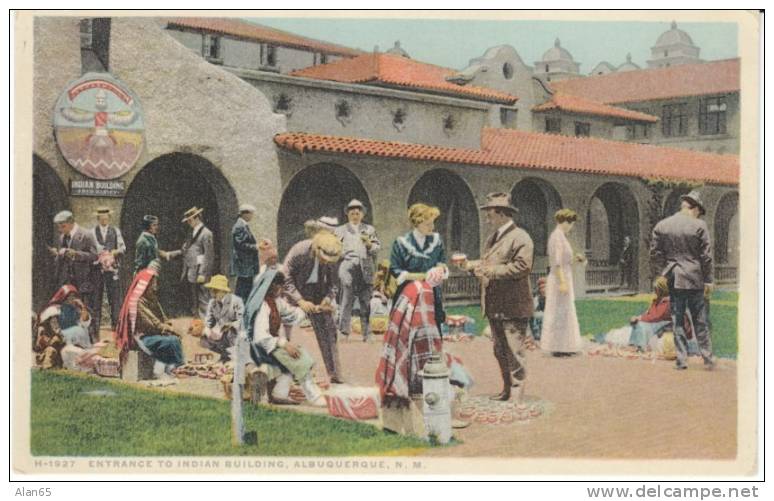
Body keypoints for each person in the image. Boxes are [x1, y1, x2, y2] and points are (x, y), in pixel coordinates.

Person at [457, 192, 534, 401]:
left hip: (513, 303)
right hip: (495, 304)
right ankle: (507, 388)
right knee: (499, 349)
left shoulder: (521, 237)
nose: (487, 218)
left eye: (489, 213)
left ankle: (517, 390)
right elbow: (487, 264)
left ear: (502, 214)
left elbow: (522, 266)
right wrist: (470, 266)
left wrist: (492, 271)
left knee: (513, 348)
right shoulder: (494, 238)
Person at [375, 268, 473, 428]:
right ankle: (448, 416)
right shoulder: (424, 295)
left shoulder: (409, 292)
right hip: (419, 377)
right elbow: (430, 346)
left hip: (399, 370)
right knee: (458, 371)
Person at [650, 190, 716, 370]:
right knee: (700, 320)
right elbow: (706, 257)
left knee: (677, 319)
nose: (698, 215)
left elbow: (655, 254)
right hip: (695, 278)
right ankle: (708, 359)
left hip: (673, 278)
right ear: (694, 208)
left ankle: (681, 360)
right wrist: (709, 280)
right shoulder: (700, 226)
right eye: (698, 211)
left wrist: (662, 272)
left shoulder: (662, 225)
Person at [243, 269, 326, 406]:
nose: (280, 289)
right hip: (259, 347)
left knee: (288, 364)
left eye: (281, 285)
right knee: (298, 357)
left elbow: (292, 315)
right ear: (269, 286)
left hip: (271, 344)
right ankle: (314, 396)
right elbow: (260, 336)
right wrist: (284, 344)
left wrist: (316, 308)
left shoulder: (277, 302)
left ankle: (279, 393)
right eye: (277, 285)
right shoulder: (262, 306)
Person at [283, 231, 343, 384]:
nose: (327, 263)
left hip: (318, 293)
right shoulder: (299, 251)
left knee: (328, 328)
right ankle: (291, 373)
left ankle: (334, 373)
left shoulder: (333, 256)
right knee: (289, 332)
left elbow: (335, 284)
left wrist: (328, 298)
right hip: (295, 292)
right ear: (317, 249)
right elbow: (286, 278)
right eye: (324, 259)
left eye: (330, 261)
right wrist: (301, 301)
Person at [115, 261, 185, 374]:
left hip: (153, 334)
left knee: (173, 338)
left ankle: (172, 367)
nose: (155, 285)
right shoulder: (138, 303)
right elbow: (153, 324)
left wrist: (169, 327)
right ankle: (179, 367)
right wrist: (170, 330)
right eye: (152, 282)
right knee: (173, 341)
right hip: (141, 339)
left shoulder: (152, 299)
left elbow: (163, 319)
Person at [389, 203, 448, 327]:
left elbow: (442, 261)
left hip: (431, 292)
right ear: (417, 223)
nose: (432, 227)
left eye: (433, 223)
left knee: (432, 326)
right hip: (409, 293)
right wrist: (423, 276)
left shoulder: (436, 241)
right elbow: (395, 269)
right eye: (428, 224)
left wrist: (440, 268)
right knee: (408, 328)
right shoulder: (401, 243)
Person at [48, 210, 100, 343]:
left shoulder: (86, 235)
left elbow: (95, 256)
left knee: (86, 311)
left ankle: (92, 342)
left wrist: (75, 254)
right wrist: (58, 255)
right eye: (58, 226)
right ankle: (74, 341)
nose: (60, 229)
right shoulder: (62, 238)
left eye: (63, 226)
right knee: (70, 311)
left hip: (84, 281)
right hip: (68, 284)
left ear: (71, 223)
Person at [335, 199, 381, 342]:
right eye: (352, 213)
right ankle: (344, 332)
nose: (355, 216)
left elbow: (376, 248)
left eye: (358, 213)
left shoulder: (369, 229)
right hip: (347, 265)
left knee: (365, 301)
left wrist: (369, 244)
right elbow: (334, 249)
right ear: (348, 214)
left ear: (362, 214)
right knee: (347, 297)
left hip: (365, 266)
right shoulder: (340, 230)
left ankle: (367, 334)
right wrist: (343, 254)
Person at [541, 209, 585, 357]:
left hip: (565, 275)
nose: (571, 227)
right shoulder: (557, 237)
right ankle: (558, 346)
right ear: (565, 222)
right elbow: (558, 263)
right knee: (559, 312)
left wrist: (575, 259)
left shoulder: (562, 237)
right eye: (571, 224)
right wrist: (562, 282)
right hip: (560, 278)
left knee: (565, 311)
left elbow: (565, 260)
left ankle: (566, 346)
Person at [175, 207, 215, 318]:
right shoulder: (191, 232)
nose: (188, 223)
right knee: (194, 298)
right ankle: (198, 321)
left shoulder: (206, 233)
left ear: (197, 218)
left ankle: (207, 322)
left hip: (201, 271)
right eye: (187, 221)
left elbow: (209, 255)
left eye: (190, 220)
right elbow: (186, 249)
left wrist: (203, 273)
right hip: (191, 270)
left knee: (204, 298)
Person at [91, 207, 126, 329]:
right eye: (101, 218)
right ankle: (95, 325)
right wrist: (99, 256)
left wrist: (112, 254)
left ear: (109, 218)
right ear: (98, 219)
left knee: (114, 297)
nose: (104, 220)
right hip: (98, 269)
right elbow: (91, 249)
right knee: (96, 297)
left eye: (106, 218)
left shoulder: (115, 231)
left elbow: (122, 248)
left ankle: (115, 324)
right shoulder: (92, 232)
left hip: (112, 269)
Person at [201, 274, 244, 362]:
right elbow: (208, 321)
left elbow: (243, 321)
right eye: (211, 290)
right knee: (204, 340)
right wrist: (207, 330)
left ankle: (231, 356)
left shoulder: (236, 301)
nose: (212, 294)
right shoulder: (212, 303)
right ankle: (224, 355)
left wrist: (231, 325)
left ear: (223, 291)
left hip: (234, 334)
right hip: (220, 334)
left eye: (215, 291)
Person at [230, 204, 260, 303]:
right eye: (251, 214)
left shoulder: (243, 225)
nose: (252, 216)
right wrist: (256, 247)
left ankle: (241, 308)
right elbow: (241, 245)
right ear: (245, 214)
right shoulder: (239, 226)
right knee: (243, 289)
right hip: (243, 263)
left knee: (244, 287)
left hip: (246, 264)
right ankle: (240, 309)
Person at [45, 284, 92, 348]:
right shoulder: (56, 309)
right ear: (64, 297)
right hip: (63, 338)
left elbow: (85, 323)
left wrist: (82, 306)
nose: (72, 298)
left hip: (76, 338)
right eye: (70, 296)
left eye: (74, 296)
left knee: (83, 330)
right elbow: (55, 329)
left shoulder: (76, 309)